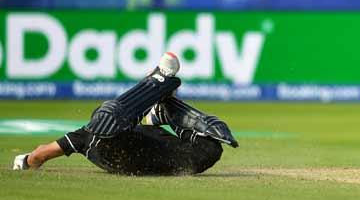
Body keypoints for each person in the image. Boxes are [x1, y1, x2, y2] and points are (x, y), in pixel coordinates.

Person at [13, 53, 239, 176]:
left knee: (212, 146)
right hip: (144, 162)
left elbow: (40, 154)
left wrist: (25, 161)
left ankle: (161, 107)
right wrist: (24, 162)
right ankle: (158, 86)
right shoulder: (88, 136)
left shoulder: (88, 136)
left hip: (174, 160)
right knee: (108, 121)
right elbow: (40, 154)